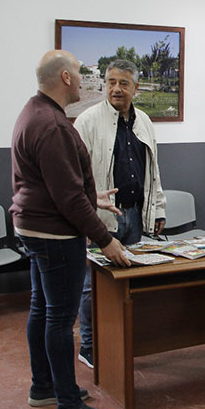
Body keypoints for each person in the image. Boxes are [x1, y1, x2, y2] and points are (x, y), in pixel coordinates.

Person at [11, 49, 130, 409]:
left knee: (42, 310)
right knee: (60, 321)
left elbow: (50, 182)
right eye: (80, 73)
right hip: (54, 234)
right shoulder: (55, 125)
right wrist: (104, 240)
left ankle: (44, 386)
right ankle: (68, 406)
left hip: (34, 227)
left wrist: (89, 197)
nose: (85, 79)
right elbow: (65, 197)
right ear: (65, 78)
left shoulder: (33, 112)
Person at [74, 58, 167, 369]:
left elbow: (153, 171)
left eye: (123, 83)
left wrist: (158, 207)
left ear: (135, 88)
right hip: (101, 219)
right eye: (111, 82)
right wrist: (85, 218)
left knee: (132, 282)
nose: (116, 88)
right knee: (92, 287)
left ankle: (127, 337)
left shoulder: (144, 121)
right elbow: (75, 177)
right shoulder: (86, 121)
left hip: (135, 216)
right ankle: (89, 346)